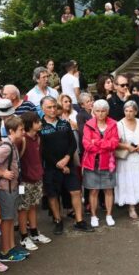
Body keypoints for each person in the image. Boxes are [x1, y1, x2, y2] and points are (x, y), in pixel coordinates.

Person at [40, 96, 93, 234]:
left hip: (68, 164)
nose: (52, 110)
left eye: (54, 107)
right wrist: (57, 163)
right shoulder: (40, 127)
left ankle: (79, 220)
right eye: (49, 107)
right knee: (53, 195)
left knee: (75, 191)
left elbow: (72, 143)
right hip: (51, 167)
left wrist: (67, 158)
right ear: (42, 109)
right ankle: (58, 220)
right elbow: (42, 149)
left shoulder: (65, 123)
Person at [0, 116, 24, 261]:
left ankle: (12, 246)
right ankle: (5, 250)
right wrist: (2, 173)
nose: (23, 132)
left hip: (12, 187)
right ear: (12, 131)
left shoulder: (13, 144)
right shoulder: (6, 147)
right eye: (21, 130)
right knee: (6, 219)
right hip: (4, 188)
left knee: (11, 218)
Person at [17, 112, 52, 251]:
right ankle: (23, 236)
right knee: (23, 208)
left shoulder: (37, 138)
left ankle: (34, 232)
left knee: (33, 206)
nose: (40, 123)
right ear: (30, 124)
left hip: (37, 177)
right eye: (37, 121)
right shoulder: (22, 140)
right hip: (24, 181)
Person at [82, 100, 119, 228]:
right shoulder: (88, 125)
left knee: (109, 190)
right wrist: (104, 144)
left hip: (108, 163)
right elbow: (87, 145)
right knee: (94, 191)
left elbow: (114, 143)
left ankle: (109, 214)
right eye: (97, 111)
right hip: (92, 163)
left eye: (103, 111)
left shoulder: (113, 124)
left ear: (107, 111)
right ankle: (93, 215)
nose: (101, 114)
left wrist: (97, 142)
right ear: (94, 111)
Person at [115, 101, 139, 217]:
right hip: (127, 159)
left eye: (131, 111)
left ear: (136, 111)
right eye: (126, 111)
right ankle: (131, 207)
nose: (128, 113)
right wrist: (127, 146)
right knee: (129, 181)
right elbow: (115, 143)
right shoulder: (119, 124)